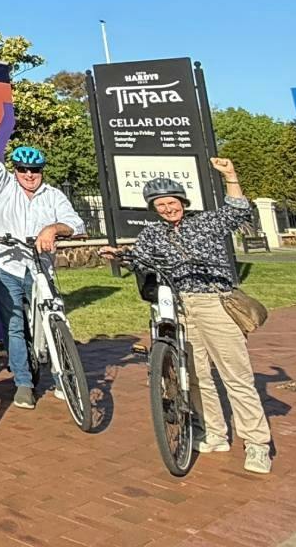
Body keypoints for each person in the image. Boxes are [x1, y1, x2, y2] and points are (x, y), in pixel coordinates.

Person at [99, 158, 271, 473]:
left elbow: (236, 211)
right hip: (179, 306)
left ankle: (257, 443)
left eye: (172, 202)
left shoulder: (205, 222)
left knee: (236, 376)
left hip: (214, 303)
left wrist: (231, 175)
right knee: (196, 377)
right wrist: (118, 254)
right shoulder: (152, 234)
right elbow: (140, 260)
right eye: (160, 204)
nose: (167, 208)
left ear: (183, 201)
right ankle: (214, 433)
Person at [0, 124, 85, 409]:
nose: (29, 175)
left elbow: (76, 224)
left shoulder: (53, 195)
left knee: (54, 317)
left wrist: (53, 228)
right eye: (23, 170)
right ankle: (23, 382)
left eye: (34, 170)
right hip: (7, 264)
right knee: (14, 325)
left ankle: (63, 376)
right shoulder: (5, 185)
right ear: (16, 171)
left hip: (40, 268)